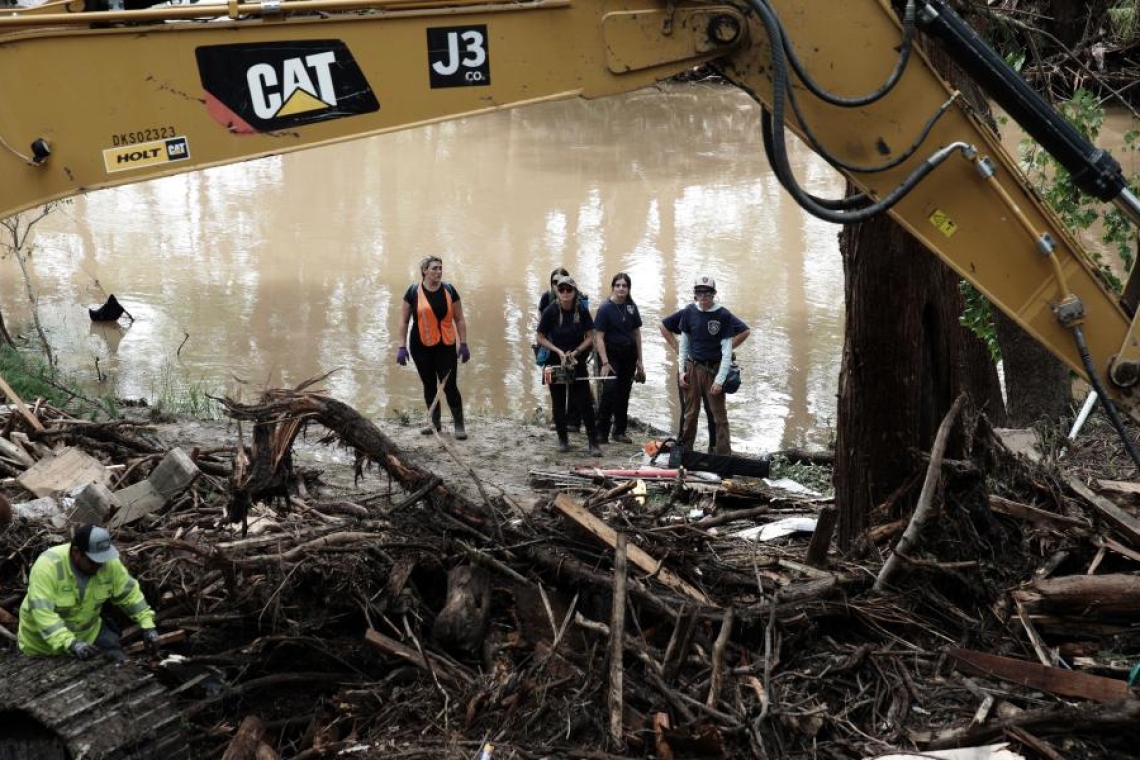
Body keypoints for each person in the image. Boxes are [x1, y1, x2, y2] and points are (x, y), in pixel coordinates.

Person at [18, 524, 160, 661]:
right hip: (42, 646)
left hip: (88, 635)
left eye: (102, 561)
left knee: (120, 663)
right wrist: (71, 643)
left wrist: (148, 625)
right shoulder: (48, 566)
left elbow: (129, 595)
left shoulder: (108, 563)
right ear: (76, 552)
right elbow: (43, 614)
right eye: (94, 562)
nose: (100, 566)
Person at [674, 274, 749, 456]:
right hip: (693, 368)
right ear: (695, 294)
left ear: (714, 293)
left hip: (713, 369)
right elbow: (684, 344)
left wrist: (720, 380)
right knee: (690, 413)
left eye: (707, 293)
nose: (703, 297)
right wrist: (681, 370)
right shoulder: (689, 312)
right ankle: (686, 453)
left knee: (719, 417)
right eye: (699, 293)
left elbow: (726, 352)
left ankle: (723, 456)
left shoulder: (723, 315)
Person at [397, 256, 470, 440]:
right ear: (424, 271)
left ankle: (459, 424)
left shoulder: (449, 290)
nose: (439, 271)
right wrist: (401, 346)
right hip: (420, 346)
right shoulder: (413, 291)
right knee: (429, 385)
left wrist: (464, 343)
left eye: (440, 268)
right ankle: (435, 423)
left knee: (450, 386)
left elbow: (459, 318)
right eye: (434, 268)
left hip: (445, 345)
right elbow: (404, 320)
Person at [536, 275, 603, 455]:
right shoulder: (551, 311)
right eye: (562, 290)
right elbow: (540, 337)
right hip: (555, 361)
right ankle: (562, 440)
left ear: (575, 292)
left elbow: (590, 335)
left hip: (576, 361)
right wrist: (557, 351)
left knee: (584, 401)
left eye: (569, 290)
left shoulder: (581, 310)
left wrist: (577, 352)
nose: (565, 293)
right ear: (557, 292)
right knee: (558, 402)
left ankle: (593, 442)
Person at [594, 272, 643, 444]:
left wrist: (640, 362)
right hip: (610, 355)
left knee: (624, 393)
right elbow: (599, 336)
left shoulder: (631, 306)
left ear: (628, 288)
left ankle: (619, 431)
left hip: (629, 355)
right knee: (609, 391)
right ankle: (601, 431)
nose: (621, 288)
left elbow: (636, 334)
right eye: (618, 285)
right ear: (613, 287)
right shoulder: (605, 308)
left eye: (625, 285)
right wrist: (604, 362)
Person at [538, 267, 584, 432]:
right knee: (554, 383)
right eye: (555, 283)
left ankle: (573, 420)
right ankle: (558, 420)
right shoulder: (546, 298)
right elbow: (540, 323)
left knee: (574, 383)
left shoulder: (580, 300)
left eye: (563, 283)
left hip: (574, 347)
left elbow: (587, 328)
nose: (560, 287)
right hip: (551, 346)